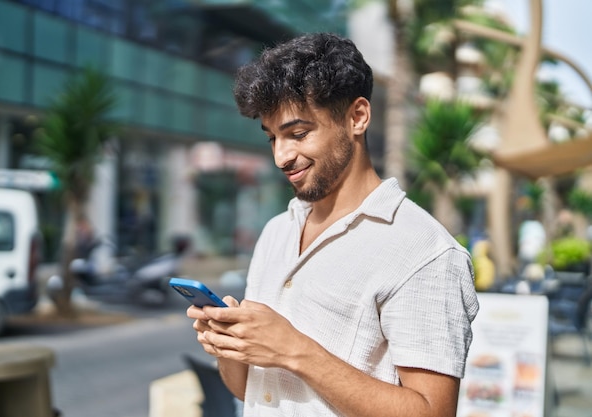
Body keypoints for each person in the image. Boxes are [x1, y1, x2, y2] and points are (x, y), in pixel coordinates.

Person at [187, 32, 479, 417]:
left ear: (357, 117)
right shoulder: (277, 231)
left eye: (298, 133)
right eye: (272, 138)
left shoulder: (425, 253)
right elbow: (248, 390)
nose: (281, 156)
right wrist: (231, 345)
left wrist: (296, 351)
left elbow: (431, 412)